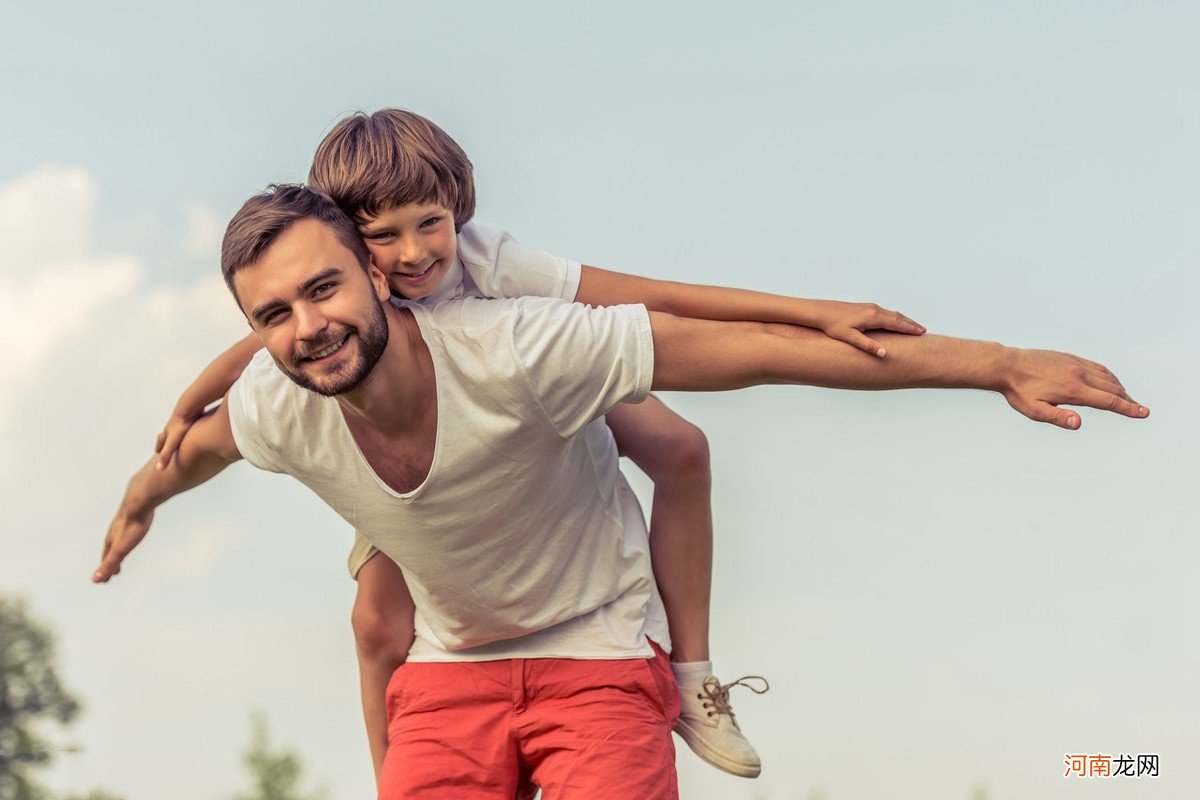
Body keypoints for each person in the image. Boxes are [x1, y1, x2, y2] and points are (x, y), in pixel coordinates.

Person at [96, 185, 1146, 800]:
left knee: (675, 445)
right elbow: (186, 456)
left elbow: (747, 350)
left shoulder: (519, 346)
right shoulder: (280, 405)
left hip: (593, 655)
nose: (304, 327)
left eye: (322, 288)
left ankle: (694, 672)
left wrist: (993, 359)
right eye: (272, 313)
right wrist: (140, 504)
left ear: (380, 274)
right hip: (452, 674)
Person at [151, 109, 929, 780]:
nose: (417, 253)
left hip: (523, 398)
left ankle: (692, 677)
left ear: (457, 208)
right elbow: (264, 340)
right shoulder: (338, 305)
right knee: (375, 621)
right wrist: (191, 403)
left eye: (433, 223)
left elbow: (650, 298)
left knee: (683, 447)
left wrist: (815, 313)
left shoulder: (494, 264)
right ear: (352, 249)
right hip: (401, 436)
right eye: (385, 239)